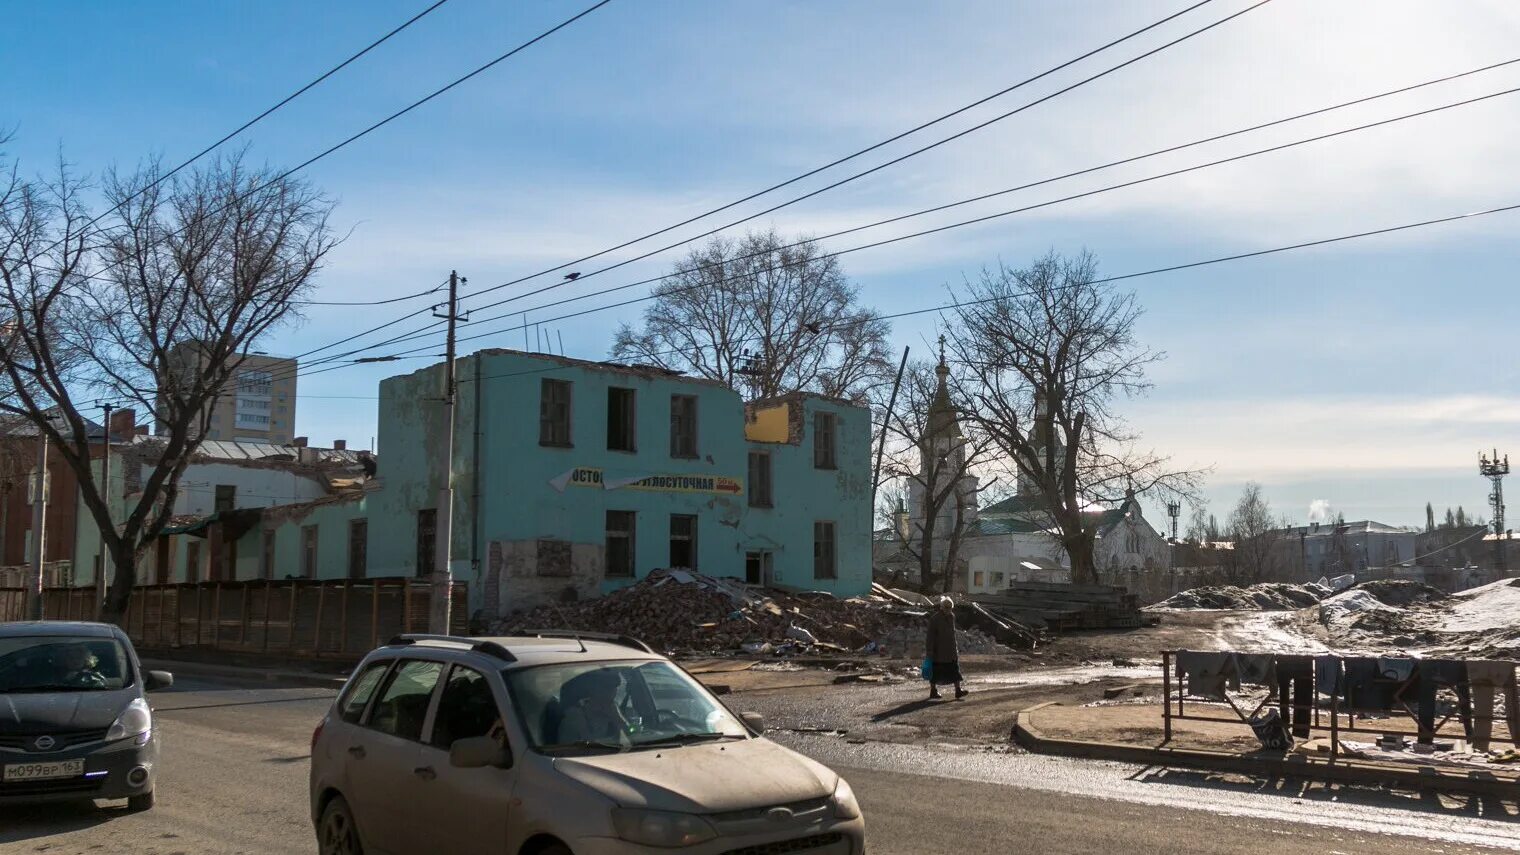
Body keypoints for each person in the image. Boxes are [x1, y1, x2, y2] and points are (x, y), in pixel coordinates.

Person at [557, 669, 630, 745]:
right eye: (606, 688)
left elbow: (634, 735)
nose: (611, 693)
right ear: (592, 689)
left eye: (614, 688)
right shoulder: (574, 716)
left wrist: (619, 719)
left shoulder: (614, 710)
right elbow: (585, 747)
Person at [925, 597, 966, 700]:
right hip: (939, 651)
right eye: (946, 607)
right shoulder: (935, 619)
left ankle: (958, 690)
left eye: (950, 607)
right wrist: (930, 650)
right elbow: (930, 636)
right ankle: (933, 691)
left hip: (951, 650)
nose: (948, 609)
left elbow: (952, 634)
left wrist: (955, 647)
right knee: (935, 672)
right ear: (942, 607)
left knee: (955, 670)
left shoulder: (952, 617)